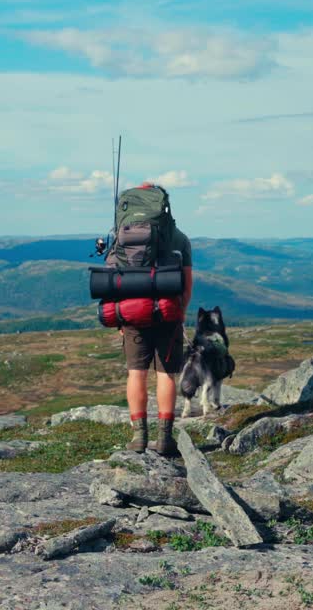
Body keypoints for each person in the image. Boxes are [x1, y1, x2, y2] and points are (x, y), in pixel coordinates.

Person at [118, 185, 193, 457]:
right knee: (166, 375)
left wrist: (120, 317)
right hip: (168, 313)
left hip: (132, 314)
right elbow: (187, 282)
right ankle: (165, 439)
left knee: (136, 373)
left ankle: (139, 437)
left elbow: (115, 279)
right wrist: (181, 312)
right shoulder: (178, 237)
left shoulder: (122, 234)